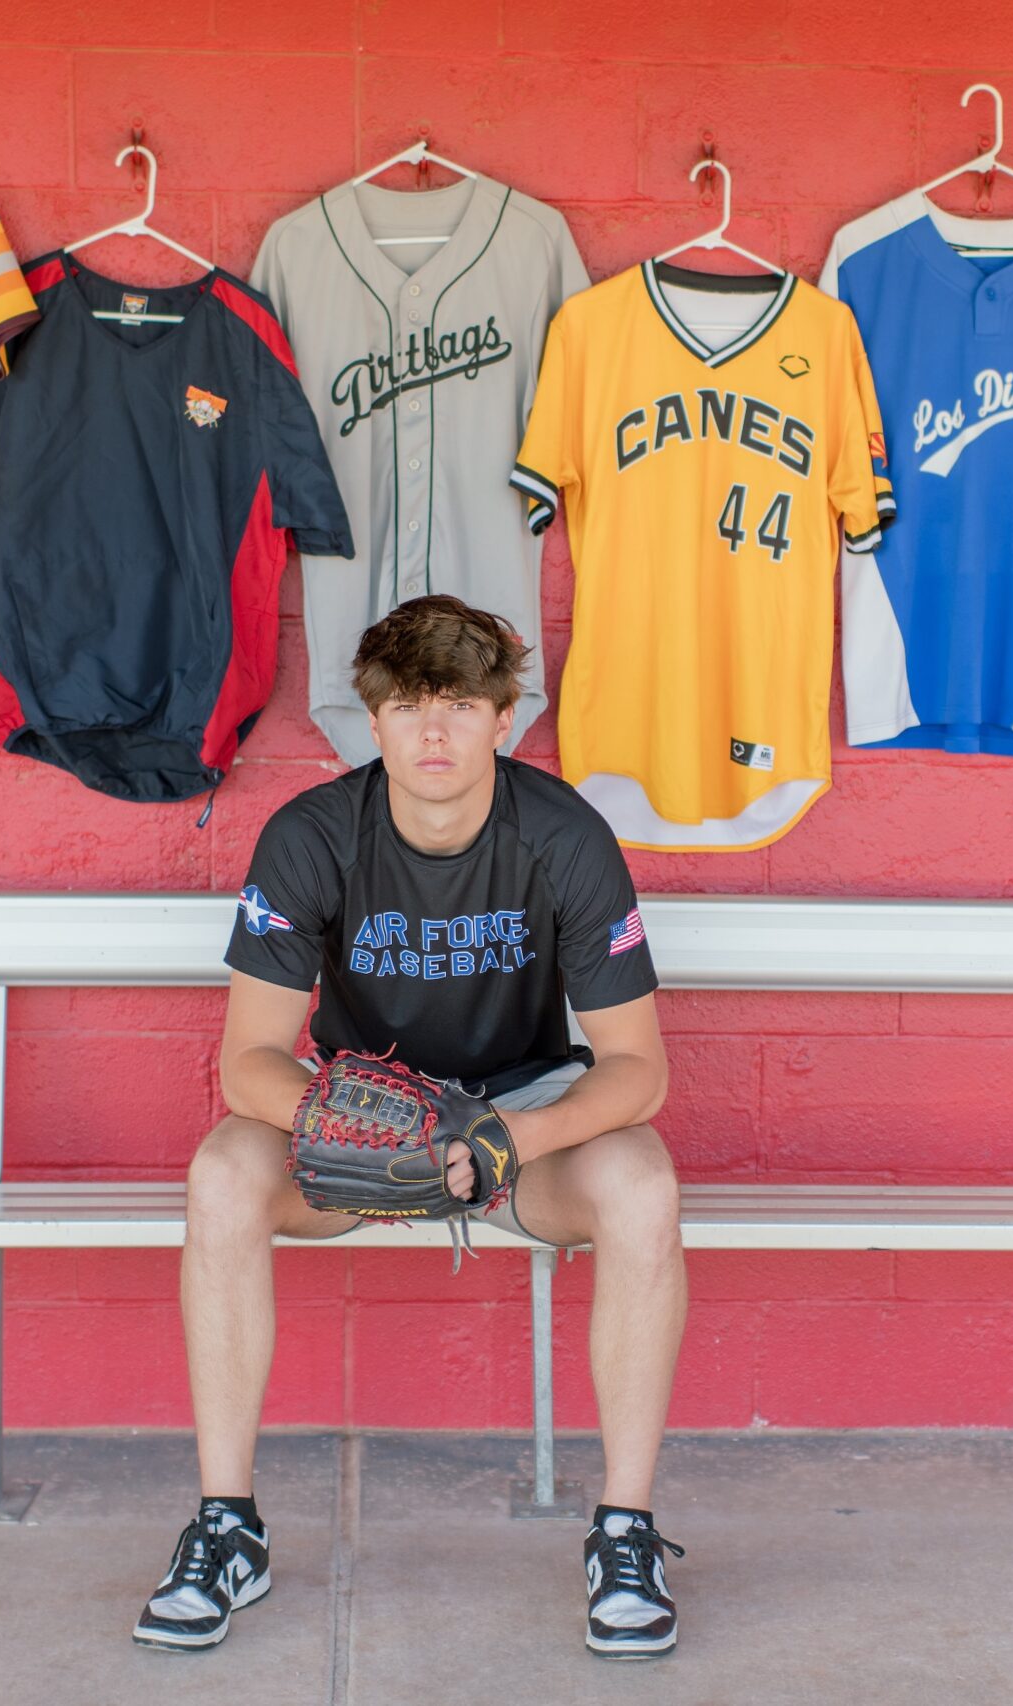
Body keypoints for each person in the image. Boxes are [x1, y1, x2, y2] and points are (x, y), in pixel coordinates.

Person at [134, 595, 688, 1659]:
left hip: (518, 1123)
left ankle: (624, 1532)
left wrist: (504, 1141)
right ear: (373, 719)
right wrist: (356, 1124)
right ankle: (225, 1525)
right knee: (220, 1172)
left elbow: (637, 1068)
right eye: (409, 707)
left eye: (462, 706)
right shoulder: (315, 831)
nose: (434, 733)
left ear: (504, 716)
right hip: (355, 1125)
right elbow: (244, 1060)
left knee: (643, 1184)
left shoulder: (562, 831)